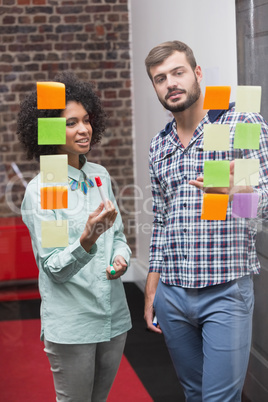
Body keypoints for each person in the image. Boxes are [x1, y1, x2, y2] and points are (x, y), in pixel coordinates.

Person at [144, 40, 268, 401]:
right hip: (172, 294)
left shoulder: (239, 123)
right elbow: (163, 219)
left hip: (225, 291)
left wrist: (238, 192)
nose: (170, 83)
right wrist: (153, 287)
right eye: (160, 78)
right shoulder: (159, 145)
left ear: (197, 74)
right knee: (194, 393)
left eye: (178, 72)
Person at [17, 72, 132, 402]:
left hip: (113, 318)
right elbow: (54, 267)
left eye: (86, 120)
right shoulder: (47, 188)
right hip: (74, 324)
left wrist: (119, 257)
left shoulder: (99, 176)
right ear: (51, 131)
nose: (84, 129)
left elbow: (120, 235)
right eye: (70, 123)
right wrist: (88, 238)